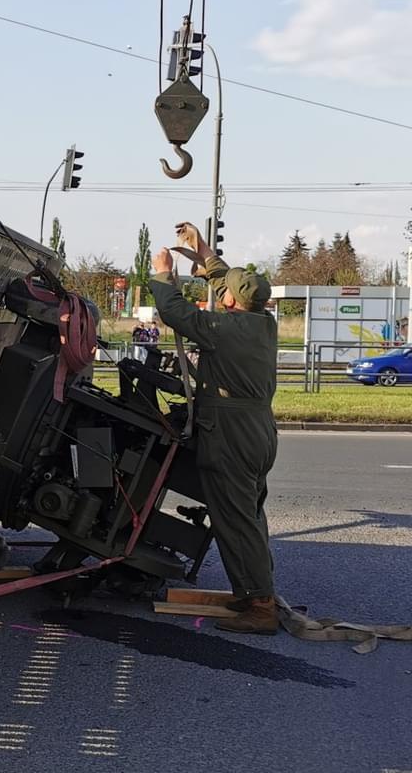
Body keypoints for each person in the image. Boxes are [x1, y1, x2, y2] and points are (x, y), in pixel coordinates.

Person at [149, 221, 279, 635]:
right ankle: (253, 590)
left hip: (232, 434)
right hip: (258, 431)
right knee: (249, 515)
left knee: (236, 521)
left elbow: (175, 312)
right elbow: (229, 282)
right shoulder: (263, 323)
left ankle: (260, 605)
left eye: (225, 291)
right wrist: (203, 250)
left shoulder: (223, 331)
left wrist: (163, 273)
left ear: (230, 301)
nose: (221, 292)